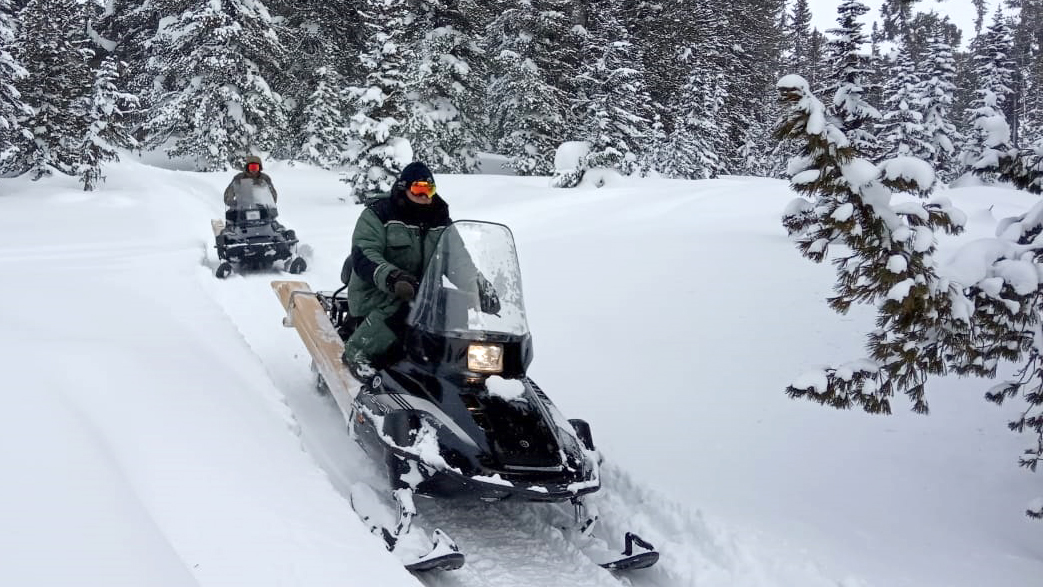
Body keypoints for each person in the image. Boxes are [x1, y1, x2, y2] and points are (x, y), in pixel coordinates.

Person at [341, 161, 498, 382]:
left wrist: (480, 287)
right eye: (419, 189)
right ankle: (358, 353)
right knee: (405, 307)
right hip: (377, 290)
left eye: (429, 190)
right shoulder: (379, 214)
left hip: (420, 292)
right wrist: (392, 276)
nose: (425, 196)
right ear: (404, 188)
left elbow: (459, 262)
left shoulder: (439, 221)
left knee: (454, 304)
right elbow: (364, 252)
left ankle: (450, 363)